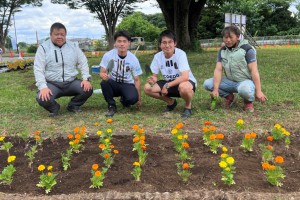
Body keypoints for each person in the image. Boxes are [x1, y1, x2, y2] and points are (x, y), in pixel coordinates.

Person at [34, 22, 93, 117]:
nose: (60, 37)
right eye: (56, 34)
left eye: (62, 34)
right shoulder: (43, 48)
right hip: (52, 83)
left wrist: (86, 79)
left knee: (87, 89)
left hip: (71, 82)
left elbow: (83, 62)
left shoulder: (73, 46)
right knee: (42, 97)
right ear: (50, 35)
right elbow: (38, 69)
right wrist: (43, 87)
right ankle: (54, 108)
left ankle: (73, 105)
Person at [203, 25, 267, 112]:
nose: (228, 40)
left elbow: (254, 71)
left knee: (245, 90)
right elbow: (218, 70)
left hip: (245, 81)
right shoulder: (222, 50)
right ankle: (229, 97)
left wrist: (258, 91)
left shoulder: (247, 49)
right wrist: (215, 90)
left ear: (237, 37)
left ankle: (248, 101)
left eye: (231, 37)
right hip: (230, 81)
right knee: (208, 84)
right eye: (225, 37)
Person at [144, 30, 197, 118]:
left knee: (184, 88)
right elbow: (154, 76)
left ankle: (188, 106)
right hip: (169, 83)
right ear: (160, 44)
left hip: (185, 82)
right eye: (164, 42)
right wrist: (152, 80)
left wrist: (167, 85)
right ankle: (171, 102)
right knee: (147, 88)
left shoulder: (181, 54)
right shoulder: (157, 56)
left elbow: (185, 77)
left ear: (175, 43)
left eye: (170, 42)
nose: (167, 45)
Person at [100, 30, 142, 117]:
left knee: (132, 99)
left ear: (129, 43)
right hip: (113, 83)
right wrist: (103, 76)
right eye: (119, 41)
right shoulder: (108, 55)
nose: (122, 44)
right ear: (115, 43)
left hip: (127, 84)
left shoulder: (133, 59)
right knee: (104, 83)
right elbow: (102, 72)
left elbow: (137, 80)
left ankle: (124, 100)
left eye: (124, 41)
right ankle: (111, 105)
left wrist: (139, 98)